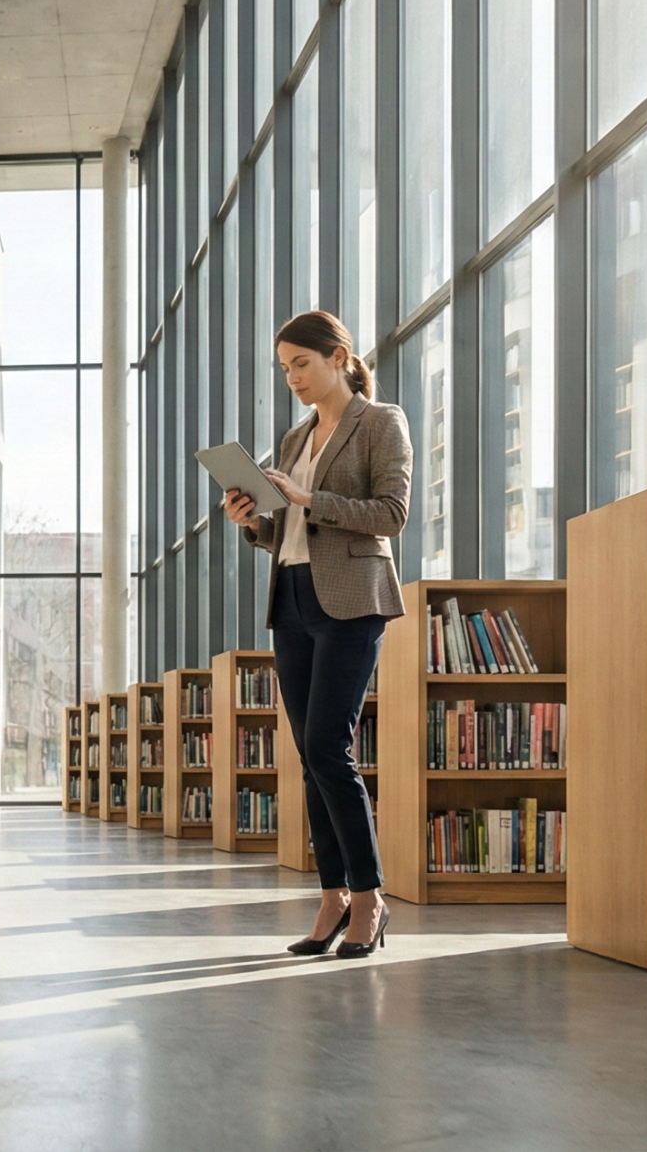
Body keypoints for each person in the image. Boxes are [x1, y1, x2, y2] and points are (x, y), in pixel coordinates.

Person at [223, 310, 412, 959]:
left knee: (330, 747)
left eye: (301, 364)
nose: (293, 378)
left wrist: (306, 499)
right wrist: (252, 521)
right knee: (309, 754)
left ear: (338, 357)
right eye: (285, 369)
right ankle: (333, 896)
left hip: (353, 598)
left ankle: (369, 897)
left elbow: (392, 514)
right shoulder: (294, 437)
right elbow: (286, 531)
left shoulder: (380, 422)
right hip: (294, 597)